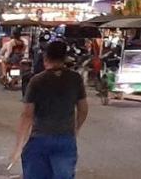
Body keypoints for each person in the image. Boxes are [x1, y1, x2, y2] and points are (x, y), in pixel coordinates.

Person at [12, 40, 88, 179]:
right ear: (65, 58)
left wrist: (19, 147)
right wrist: (75, 129)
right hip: (65, 139)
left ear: (45, 58)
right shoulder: (75, 79)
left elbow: (27, 115)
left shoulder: (37, 81)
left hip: (40, 139)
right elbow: (83, 109)